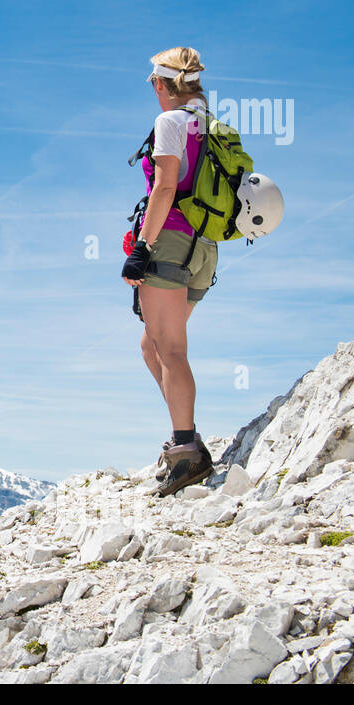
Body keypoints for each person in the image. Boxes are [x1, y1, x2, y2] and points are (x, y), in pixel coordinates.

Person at [121, 47, 216, 497]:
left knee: (171, 350)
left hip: (171, 241)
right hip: (206, 247)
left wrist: (142, 246)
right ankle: (187, 439)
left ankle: (185, 453)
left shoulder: (171, 122)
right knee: (153, 346)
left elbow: (163, 187)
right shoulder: (212, 123)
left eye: (153, 84)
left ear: (163, 83)